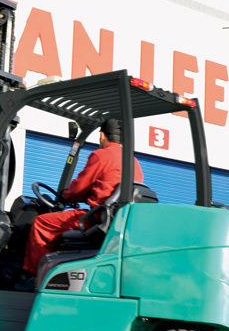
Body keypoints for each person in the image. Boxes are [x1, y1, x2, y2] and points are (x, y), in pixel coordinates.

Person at [22, 118, 143, 277]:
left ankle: (32, 277)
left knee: (41, 223)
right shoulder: (133, 161)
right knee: (57, 226)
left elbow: (79, 189)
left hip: (96, 218)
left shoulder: (101, 155)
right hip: (115, 220)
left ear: (102, 136)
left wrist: (65, 195)